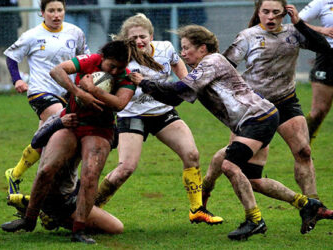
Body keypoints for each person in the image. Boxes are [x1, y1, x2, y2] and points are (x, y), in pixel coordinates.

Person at [130, 24, 325, 240]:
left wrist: (145, 83)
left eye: (186, 48)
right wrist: (147, 86)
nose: (183, 53)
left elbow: (180, 91)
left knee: (229, 165)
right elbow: (174, 97)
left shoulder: (211, 62)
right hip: (258, 118)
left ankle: (254, 220)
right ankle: (306, 204)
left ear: (202, 48)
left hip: (257, 118)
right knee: (253, 180)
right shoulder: (202, 68)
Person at [0, 40, 163, 244]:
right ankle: (29, 220)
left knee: (90, 175)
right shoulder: (90, 60)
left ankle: (79, 230)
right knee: (47, 169)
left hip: (99, 129)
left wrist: (94, 90)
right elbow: (56, 71)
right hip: (72, 120)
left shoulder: (125, 76)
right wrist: (79, 92)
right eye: (112, 66)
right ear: (102, 58)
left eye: (120, 67)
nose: (116, 70)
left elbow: (120, 104)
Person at [202, 0, 333, 221]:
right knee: (234, 159)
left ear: (285, 13)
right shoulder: (247, 36)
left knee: (304, 152)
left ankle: (314, 206)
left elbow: (324, 47)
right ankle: (204, 188)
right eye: (265, 12)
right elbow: (224, 67)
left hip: (286, 100)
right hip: (255, 108)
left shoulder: (295, 32)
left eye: (275, 12)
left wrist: (300, 23)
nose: (270, 17)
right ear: (258, 12)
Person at [94, 13, 223, 225]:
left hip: (162, 112)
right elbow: (104, 78)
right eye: (133, 37)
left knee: (191, 154)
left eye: (142, 36)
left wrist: (188, 87)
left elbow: (177, 65)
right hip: (132, 114)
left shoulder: (165, 49)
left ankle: (197, 209)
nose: (138, 41)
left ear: (151, 35)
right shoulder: (121, 58)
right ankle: (92, 207)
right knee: (125, 168)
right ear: (126, 40)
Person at [3, 0, 90, 195]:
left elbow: (85, 58)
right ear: (42, 13)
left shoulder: (75, 32)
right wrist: (17, 80)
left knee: (44, 139)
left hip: (67, 92)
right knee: (66, 122)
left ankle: (16, 174)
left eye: (60, 10)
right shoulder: (32, 35)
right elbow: (11, 57)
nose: (56, 15)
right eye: (51, 11)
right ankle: (62, 186)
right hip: (40, 92)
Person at [1, 123, 124, 235]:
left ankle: (41, 207)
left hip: (62, 191)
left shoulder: (62, 119)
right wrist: (31, 216)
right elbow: (88, 180)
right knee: (116, 228)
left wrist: (58, 122)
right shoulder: (81, 132)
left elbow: (36, 143)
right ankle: (47, 212)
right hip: (62, 199)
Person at [298, 0, 333, 143]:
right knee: (319, 111)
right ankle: (302, 150)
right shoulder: (323, 2)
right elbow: (298, 22)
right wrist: (321, 30)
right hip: (328, 57)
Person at [0, 0, 22, 83]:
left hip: (3, 29)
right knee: (2, 58)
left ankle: (16, 73)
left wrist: (18, 22)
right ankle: (7, 84)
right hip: (3, 29)